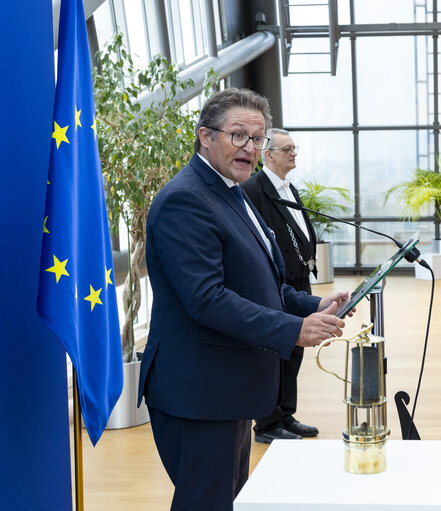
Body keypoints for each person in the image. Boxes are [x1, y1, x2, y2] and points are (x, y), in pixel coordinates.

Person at [137, 89, 350, 510]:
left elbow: (259, 283)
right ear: (205, 136)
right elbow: (207, 299)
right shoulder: (186, 199)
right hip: (198, 392)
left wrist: (313, 306)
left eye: (257, 138)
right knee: (206, 502)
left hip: (228, 386)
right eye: (238, 136)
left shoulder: (230, 190)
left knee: (228, 498)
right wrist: (294, 330)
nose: (250, 148)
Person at [241, 128, 319, 443]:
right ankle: (267, 422)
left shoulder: (289, 188)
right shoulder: (253, 190)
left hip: (298, 280)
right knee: (274, 352)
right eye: (287, 149)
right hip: (275, 283)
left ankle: (286, 414)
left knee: (295, 351)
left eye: (294, 148)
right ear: (268, 155)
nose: (294, 153)